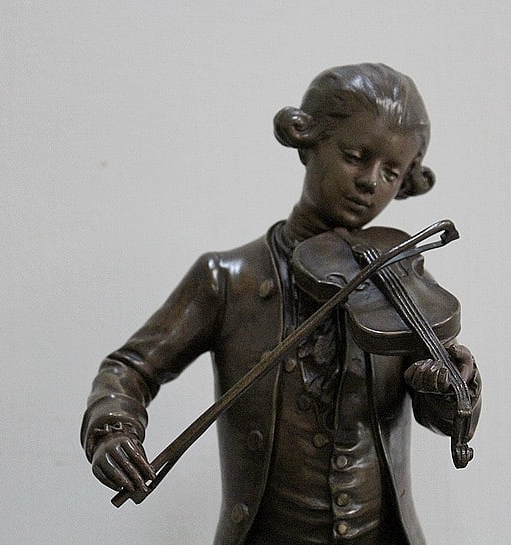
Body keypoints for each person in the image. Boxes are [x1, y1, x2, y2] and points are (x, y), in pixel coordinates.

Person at [81, 63, 482, 545]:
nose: (370, 182)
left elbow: (444, 416)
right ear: (308, 141)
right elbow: (130, 368)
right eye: (355, 156)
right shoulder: (228, 280)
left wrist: (451, 388)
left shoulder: (399, 277)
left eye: (391, 172)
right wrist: (114, 428)